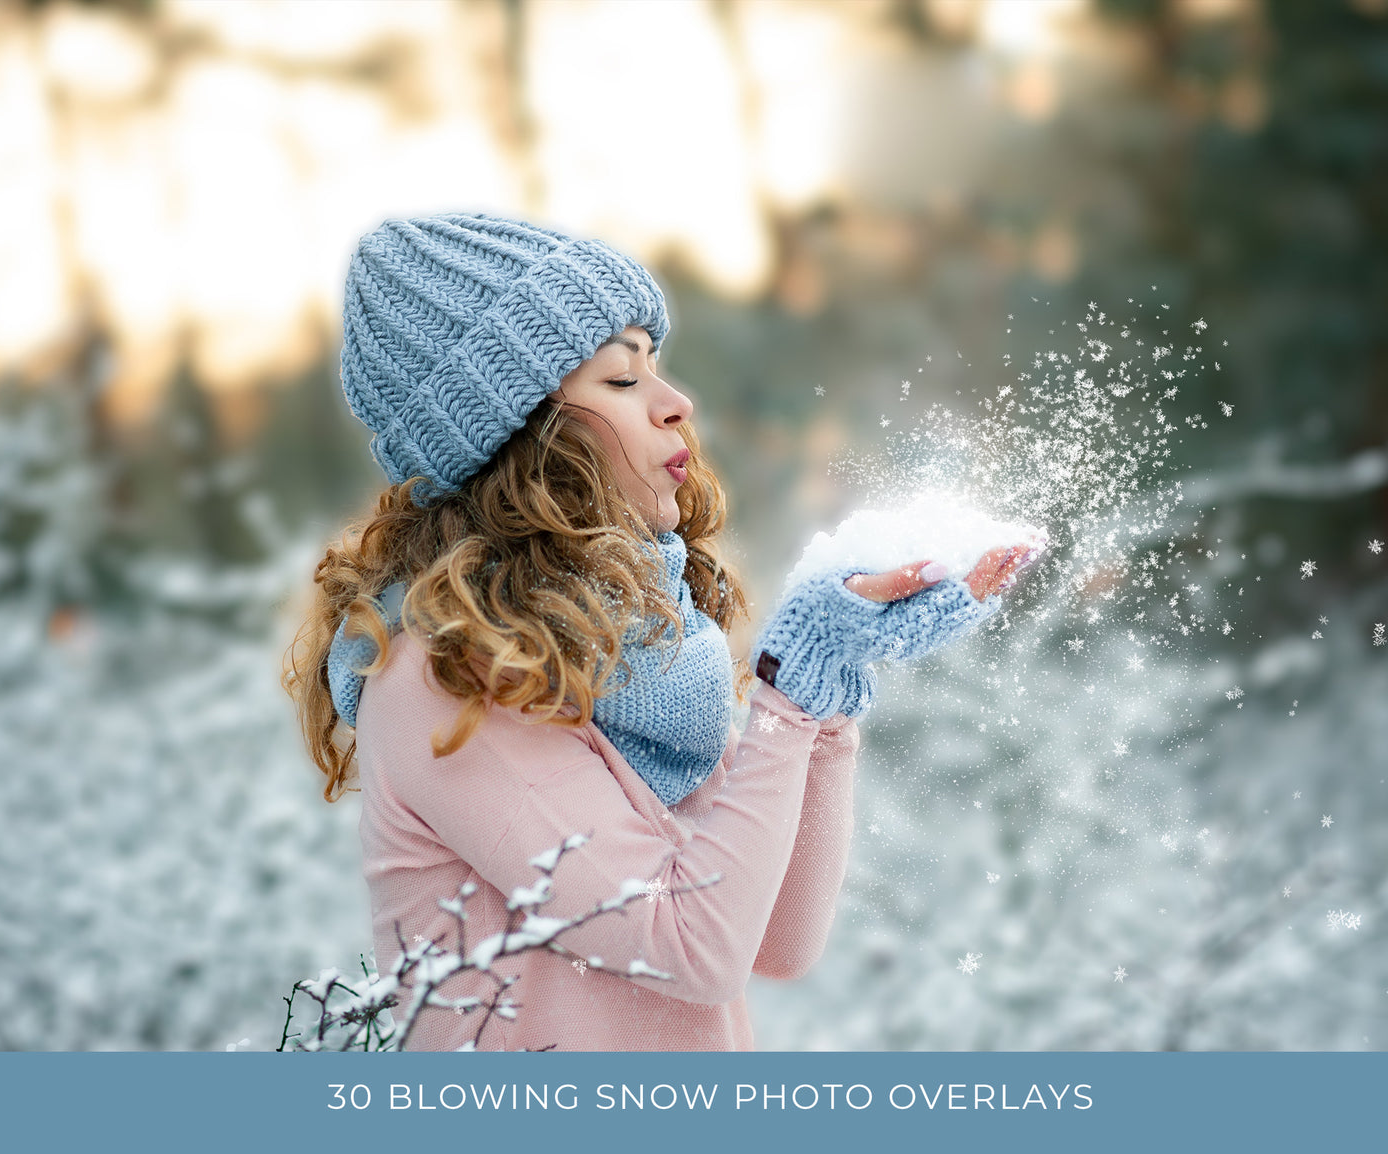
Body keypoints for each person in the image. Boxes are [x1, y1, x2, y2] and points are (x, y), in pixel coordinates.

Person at [285, 213, 1032, 1051]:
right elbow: (693, 948)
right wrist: (787, 693)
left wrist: (827, 690)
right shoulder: (447, 676)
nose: (676, 405)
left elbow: (776, 941)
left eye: (657, 368)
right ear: (521, 433)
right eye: (620, 380)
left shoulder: (619, 662)